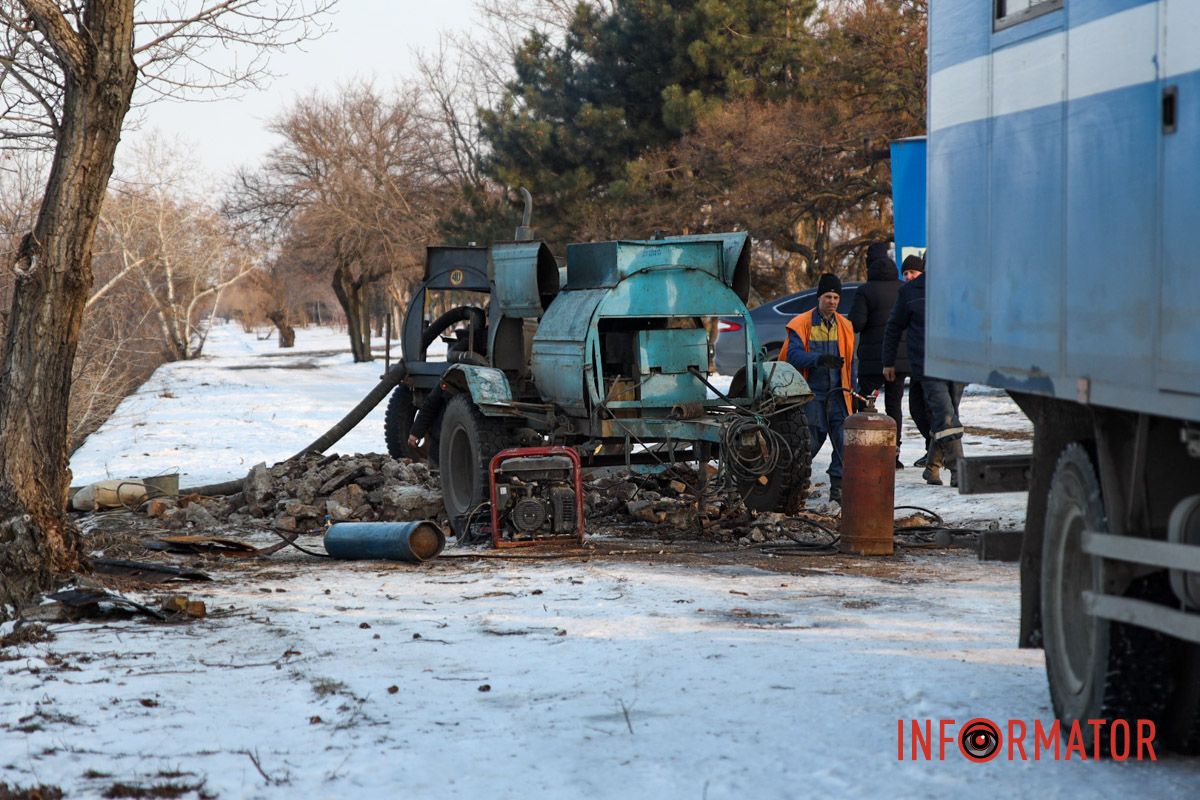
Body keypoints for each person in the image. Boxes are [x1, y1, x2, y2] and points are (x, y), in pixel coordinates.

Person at [882, 253, 964, 486]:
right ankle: (959, 469)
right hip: (928, 365)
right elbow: (893, 327)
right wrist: (888, 362)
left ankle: (932, 467)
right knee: (946, 415)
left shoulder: (960, 288)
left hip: (958, 363)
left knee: (947, 416)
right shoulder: (910, 291)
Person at [779, 273, 858, 503]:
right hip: (811, 393)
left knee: (843, 440)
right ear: (819, 297)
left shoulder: (845, 325)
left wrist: (852, 389)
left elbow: (852, 360)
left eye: (835, 297)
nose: (832, 301)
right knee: (811, 442)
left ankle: (838, 488)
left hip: (838, 394)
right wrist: (818, 359)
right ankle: (791, 483)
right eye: (827, 296)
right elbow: (792, 355)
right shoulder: (801, 323)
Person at [848, 243, 909, 469]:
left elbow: (857, 323)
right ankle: (894, 454)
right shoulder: (903, 289)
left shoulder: (865, 291)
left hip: (873, 361)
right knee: (895, 405)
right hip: (898, 359)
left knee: (866, 401)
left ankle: (865, 448)